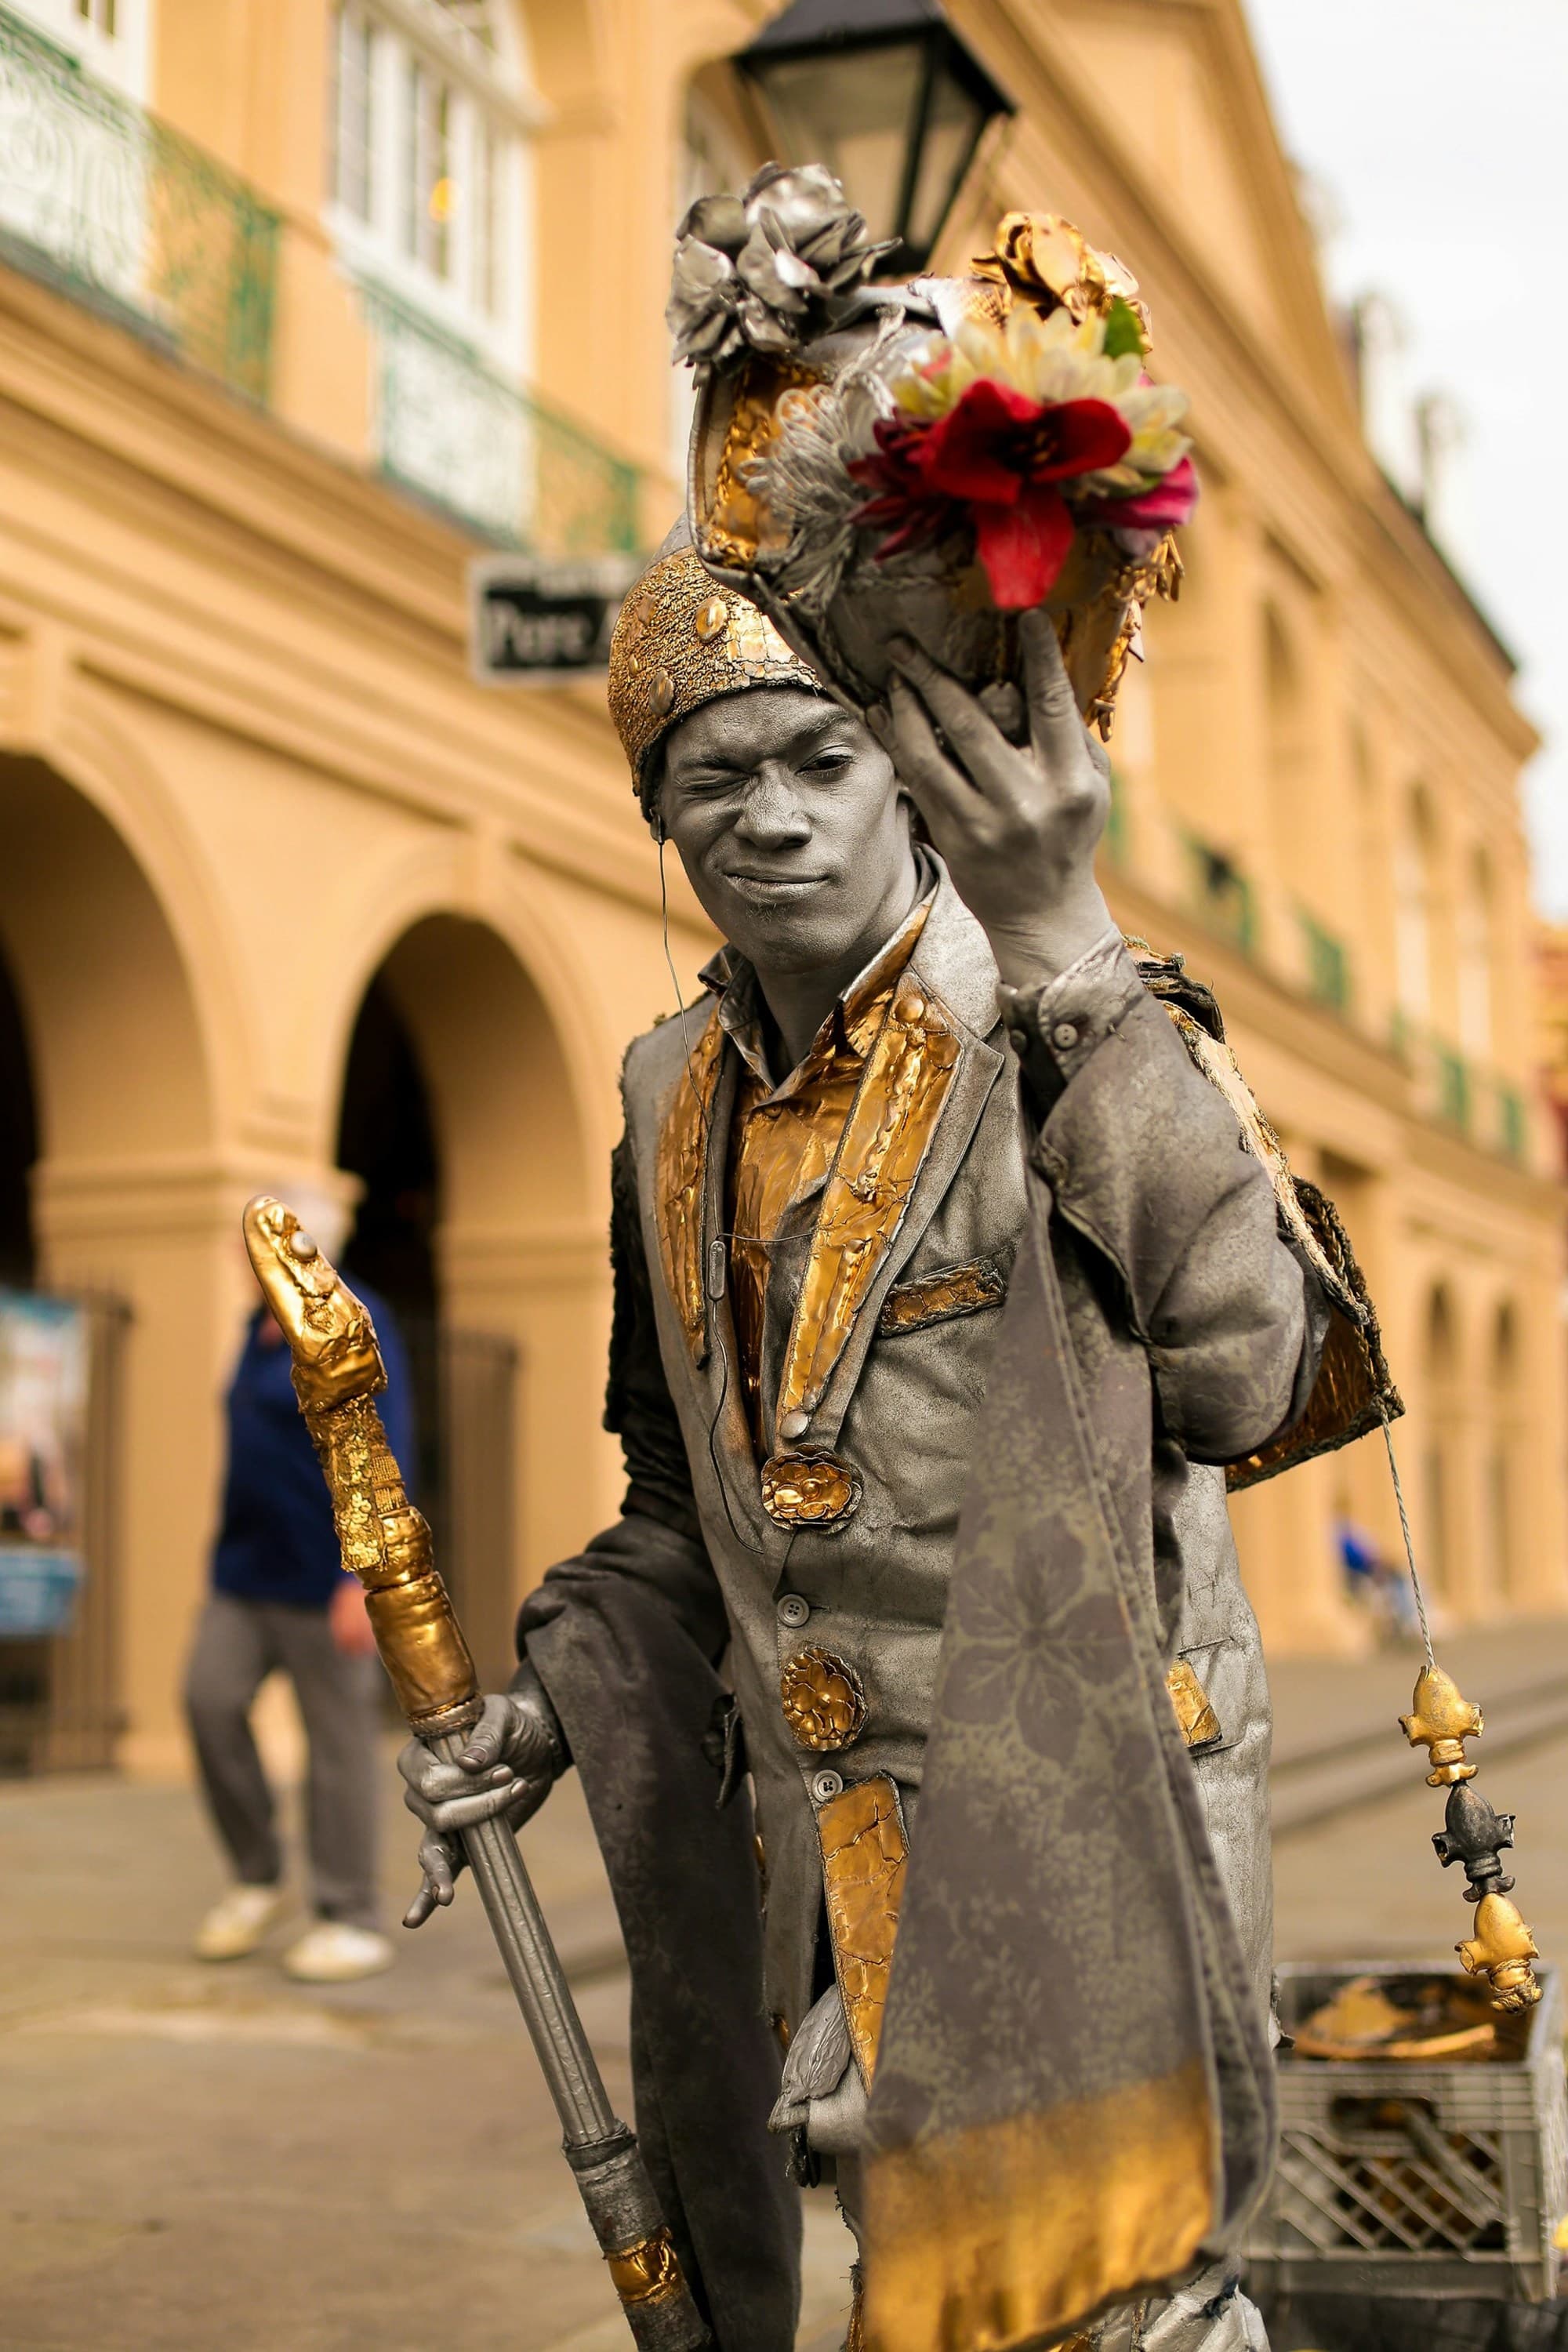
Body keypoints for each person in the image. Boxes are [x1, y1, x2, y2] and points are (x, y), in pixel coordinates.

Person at [398, 543, 1330, 2352]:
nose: (770, 819)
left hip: (1087, 1826)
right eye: (710, 778)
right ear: (655, 818)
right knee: (915, 2295)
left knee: (1119, 2309)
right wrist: (548, 1711)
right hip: (839, 1864)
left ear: (899, 775)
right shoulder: (663, 1095)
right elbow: (689, 1495)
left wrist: (1065, 943)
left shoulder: (1072, 1015)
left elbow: (1251, 1380)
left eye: (817, 760)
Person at [186, 1214, 412, 1984]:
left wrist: (361, 1577)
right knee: (209, 1700)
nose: (243, 1256)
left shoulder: (353, 1317)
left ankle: (350, 1917)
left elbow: (382, 1444)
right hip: (243, 1573)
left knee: (336, 1745)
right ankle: (258, 1876)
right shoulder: (257, 1328)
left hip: (326, 1579)